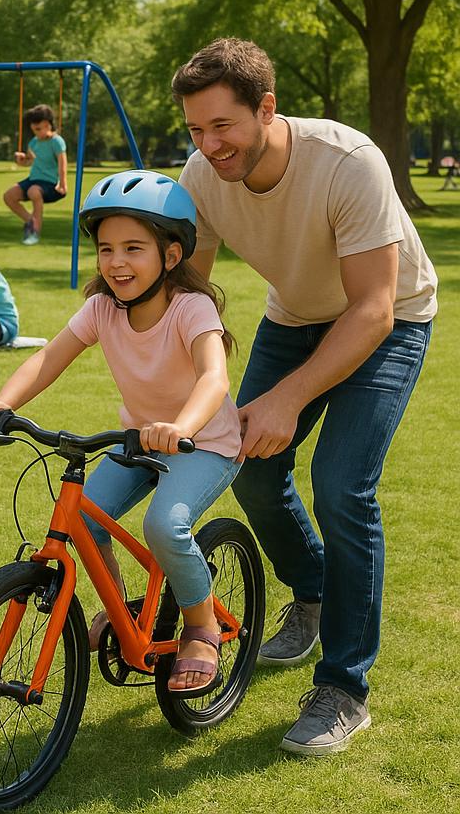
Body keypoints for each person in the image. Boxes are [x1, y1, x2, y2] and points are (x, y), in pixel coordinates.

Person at [173, 38, 437, 754]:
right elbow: (191, 292)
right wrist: (186, 391)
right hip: (294, 317)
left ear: (266, 108)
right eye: (196, 130)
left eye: (222, 126)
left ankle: (344, 690)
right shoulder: (202, 175)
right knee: (249, 466)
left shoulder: (347, 163)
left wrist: (287, 401)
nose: (209, 145)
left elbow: (373, 308)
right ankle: (314, 593)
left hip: (390, 320)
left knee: (342, 485)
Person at [0, 171, 241, 696]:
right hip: (138, 440)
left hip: (203, 443)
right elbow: (50, 355)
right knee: (82, 525)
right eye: (106, 248)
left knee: (166, 524)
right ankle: (120, 612)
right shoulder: (101, 309)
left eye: (134, 248)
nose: (116, 262)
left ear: (171, 254)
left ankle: (202, 626)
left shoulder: (190, 308)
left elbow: (214, 376)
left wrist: (182, 426)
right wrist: (2, 400)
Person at [3, 104, 68, 245]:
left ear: (48, 125)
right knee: (9, 196)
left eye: (38, 129)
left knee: (33, 191)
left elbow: (62, 164)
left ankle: (35, 232)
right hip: (34, 180)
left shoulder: (57, 141)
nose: (36, 133)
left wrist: (63, 184)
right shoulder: (33, 142)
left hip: (50, 184)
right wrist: (21, 160)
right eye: (34, 130)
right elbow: (29, 162)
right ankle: (31, 221)